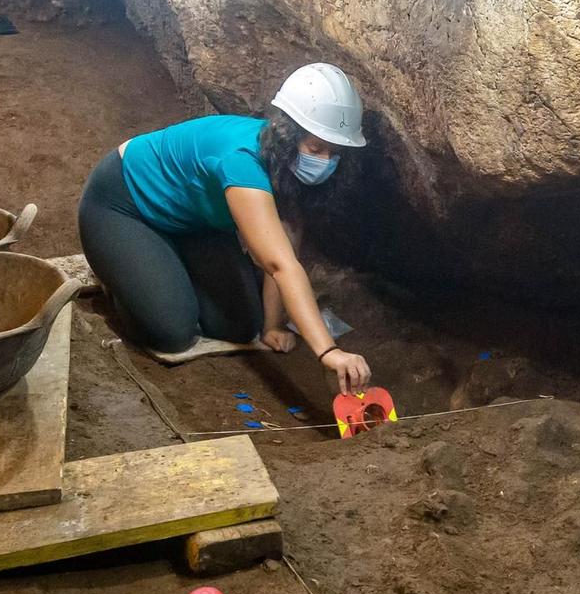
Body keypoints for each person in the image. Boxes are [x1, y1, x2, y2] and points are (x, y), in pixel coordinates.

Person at [77, 63, 375, 394]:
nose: (323, 160)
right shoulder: (242, 161)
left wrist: (271, 327)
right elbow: (280, 266)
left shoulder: (291, 167)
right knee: (171, 332)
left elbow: (286, 246)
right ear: (288, 135)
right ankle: (119, 275)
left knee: (240, 325)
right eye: (315, 148)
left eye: (334, 153)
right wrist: (329, 352)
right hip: (124, 206)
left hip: (196, 222)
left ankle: (162, 266)